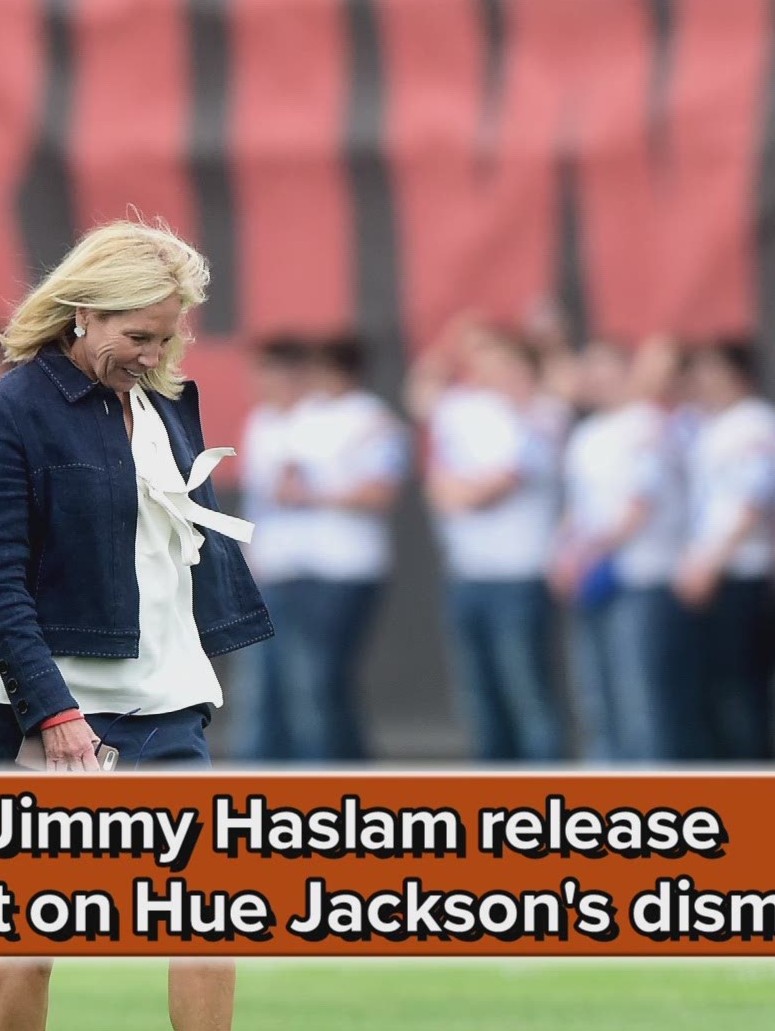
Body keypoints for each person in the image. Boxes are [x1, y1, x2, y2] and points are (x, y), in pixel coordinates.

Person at [0, 218, 270, 1031]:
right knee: (33, 937)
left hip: (166, 702)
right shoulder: (10, 410)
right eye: (138, 335)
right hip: (51, 708)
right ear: (82, 313)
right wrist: (51, 709)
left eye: (167, 336)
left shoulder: (163, 404)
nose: (153, 352)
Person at [415, 322, 568, 762]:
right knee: (480, 699)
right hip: (467, 573)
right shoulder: (463, 410)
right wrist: (449, 339)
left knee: (527, 694)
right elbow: (423, 399)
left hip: (520, 573)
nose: (493, 373)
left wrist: (462, 492)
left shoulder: (544, 415)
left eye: (505, 363)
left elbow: (501, 482)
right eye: (485, 363)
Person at [273, 335, 408, 761]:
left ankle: (344, 774)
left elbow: (379, 493)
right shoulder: (305, 416)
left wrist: (316, 496)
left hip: (351, 568)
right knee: (304, 682)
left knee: (324, 677)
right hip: (303, 567)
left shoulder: (375, 421)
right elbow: (286, 478)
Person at [551, 337, 684, 762]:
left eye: (605, 366)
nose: (594, 377)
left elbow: (638, 504)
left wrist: (590, 549)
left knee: (638, 697)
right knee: (595, 694)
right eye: (588, 368)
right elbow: (577, 506)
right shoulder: (587, 432)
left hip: (639, 577)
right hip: (591, 577)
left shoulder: (647, 425)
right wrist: (563, 553)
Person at [675, 338, 775, 761]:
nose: (702, 381)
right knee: (708, 694)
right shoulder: (705, 425)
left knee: (745, 692)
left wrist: (711, 562)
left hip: (741, 572)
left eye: (712, 370)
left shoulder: (755, 423)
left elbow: (752, 500)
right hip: (704, 572)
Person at [233, 336, 311, 761]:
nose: (263, 382)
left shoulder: (316, 422)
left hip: (305, 576)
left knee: (305, 689)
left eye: (272, 372)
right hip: (266, 573)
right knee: (259, 689)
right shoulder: (261, 422)